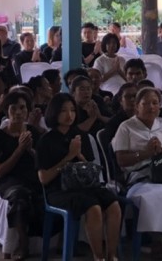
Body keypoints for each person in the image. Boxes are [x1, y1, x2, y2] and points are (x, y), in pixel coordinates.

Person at [36, 93, 121, 260]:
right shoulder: (46, 140)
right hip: (59, 190)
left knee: (113, 204)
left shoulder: (80, 135)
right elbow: (44, 178)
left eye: (72, 110)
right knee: (94, 208)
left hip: (84, 185)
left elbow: (89, 168)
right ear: (54, 113)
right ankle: (98, 257)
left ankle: (112, 255)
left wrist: (79, 154)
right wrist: (69, 156)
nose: (69, 115)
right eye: (63, 111)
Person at [112, 88, 162, 261]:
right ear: (137, 107)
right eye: (146, 103)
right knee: (153, 197)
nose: (151, 107)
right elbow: (121, 160)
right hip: (139, 178)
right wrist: (146, 153)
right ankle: (157, 241)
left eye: (155, 103)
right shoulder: (126, 127)